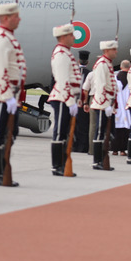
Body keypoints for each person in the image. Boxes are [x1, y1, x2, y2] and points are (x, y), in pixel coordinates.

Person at [0, 3, 26, 186]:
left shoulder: (8, 37)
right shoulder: (2, 38)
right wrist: (7, 95)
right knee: (0, 132)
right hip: (3, 95)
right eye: (16, 16)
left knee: (10, 133)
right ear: (6, 17)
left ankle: (2, 169)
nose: (19, 19)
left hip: (10, 95)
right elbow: (0, 69)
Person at [48, 24, 82, 176]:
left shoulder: (66, 53)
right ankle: (57, 165)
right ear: (63, 37)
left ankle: (62, 163)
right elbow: (62, 81)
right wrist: (70, 101)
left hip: (67, 98)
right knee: (60, 132)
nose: (74, 38)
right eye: (71, 35)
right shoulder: (61, 53)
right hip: (62, 98)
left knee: (64, 132)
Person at [89, 40, 118, 170]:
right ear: (107, 50)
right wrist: (104, 104)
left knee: (102, 133)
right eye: (114, 49)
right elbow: (100, 85)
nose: (116, 52)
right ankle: (97, 161)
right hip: (102, 103)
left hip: (106, 102)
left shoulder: (107, 64)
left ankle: (100, 160)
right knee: (100, 132)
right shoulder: (102, 64)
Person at [113, 61, 131, 155]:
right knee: (125, 130)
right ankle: (123, 150)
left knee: (116, 129)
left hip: (117, 107)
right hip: (127, 107)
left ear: (120, 66)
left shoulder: (115, 77)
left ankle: (115, 150)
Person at [75, 50, 92, 153]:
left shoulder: (73, 72)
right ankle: (83, 147)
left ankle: (73, 145)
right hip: (85, 102)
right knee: (84, 126)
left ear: (78, 61)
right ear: (87, 62)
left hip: (73, 102)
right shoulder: (89, 73)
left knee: (73, 124)